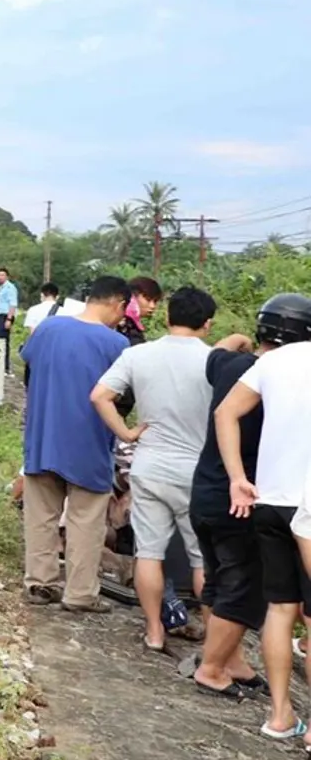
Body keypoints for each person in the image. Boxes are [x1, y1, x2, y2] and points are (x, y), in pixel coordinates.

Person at [90, 287, 241, 654]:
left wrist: (126, 432)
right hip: (198, 472)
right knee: (203, 560)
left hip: (150, 466)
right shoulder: (213, 360)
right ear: (207, 323)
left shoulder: (138, 354)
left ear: (168, 316)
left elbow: (100, 396)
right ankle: (213, 644)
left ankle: (155, 631)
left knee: (150, 553)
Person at [188, 296, 311, 701]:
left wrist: (240, 336)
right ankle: (212, 667)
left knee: (225, 583)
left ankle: (235, 665)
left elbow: (221, 351)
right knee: (242, 587)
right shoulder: (279, 373)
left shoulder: (233, 366)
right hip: (254, 498)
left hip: (211, 490)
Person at [18, 275, 132, 613]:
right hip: (89, 442)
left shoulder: (49, 328)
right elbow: (119, 396)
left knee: (40, 515)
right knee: (86, 521)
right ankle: (80, 594)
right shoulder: (116, 345)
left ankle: (40, 583)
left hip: (43, 437)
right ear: (118, 305)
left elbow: (29, 363)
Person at [19, 282, 60, 392]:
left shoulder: (33, 309)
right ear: (57, 296)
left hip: (39, 352)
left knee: (34, 384)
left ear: (42, 295)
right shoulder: (64, 311)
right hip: (57, 352)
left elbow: (33, 333)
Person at [120, 276, 163, 346]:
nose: (153, 306)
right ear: (132, 297)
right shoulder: (124, 326)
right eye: (148, 300)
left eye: (155, 301)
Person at [0, 268, 20, 372]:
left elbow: (13, 304)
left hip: (6, 316)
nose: (0, 277)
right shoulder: (2, 288)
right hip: (1, 315)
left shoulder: (10, 287)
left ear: (7, 276)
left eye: (2, 275)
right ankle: (1, 364)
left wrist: (9, 319)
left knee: (2, 340)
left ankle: (4, 367)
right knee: (1, 340)